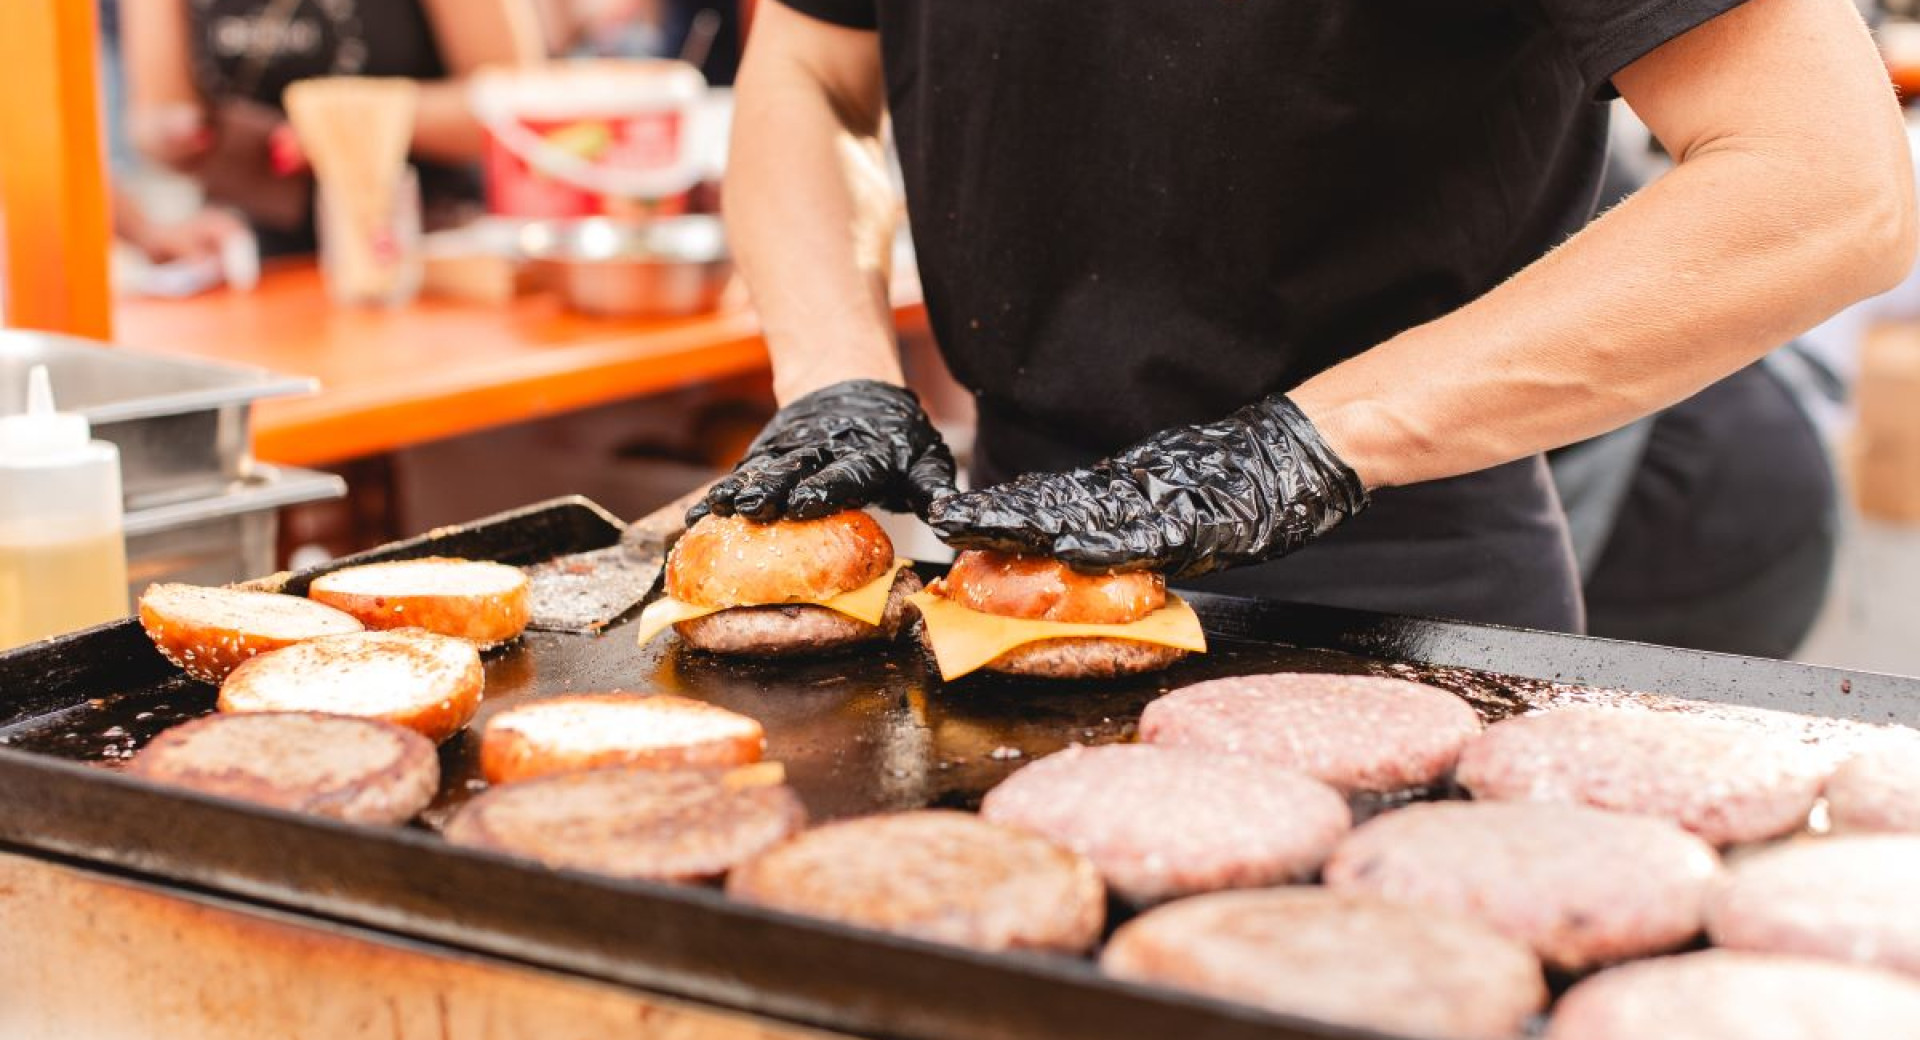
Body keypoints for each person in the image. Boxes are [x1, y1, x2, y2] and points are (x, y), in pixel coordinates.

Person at [698, 0, 1916, 634]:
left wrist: (1298, 448)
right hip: (1001, 562)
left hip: (1395, 575)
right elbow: (810, 74)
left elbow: (1825, 179)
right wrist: (834, 375)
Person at [120, 0, 546, 256]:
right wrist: (173, 136)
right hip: (252, 260)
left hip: (426, 250)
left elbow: (518, 103)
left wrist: (346, 122)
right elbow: (154, 113)